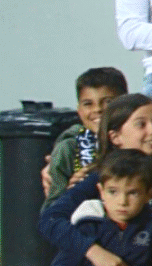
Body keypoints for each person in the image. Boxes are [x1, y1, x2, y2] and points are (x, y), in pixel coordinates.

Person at [43, 67, 129, 201]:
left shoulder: (136, 140)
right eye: (88, 104)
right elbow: (52, 210)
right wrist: (73, 193)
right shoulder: (68, 149)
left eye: (108, 102)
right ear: (79, 109)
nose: (98, 109)